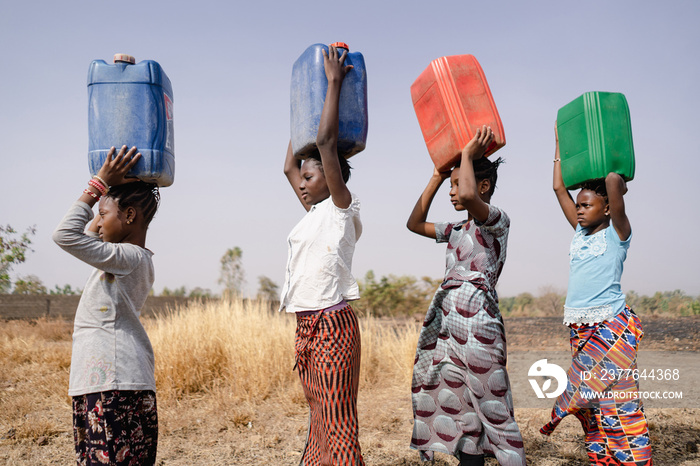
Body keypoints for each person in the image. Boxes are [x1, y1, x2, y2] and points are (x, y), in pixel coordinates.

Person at [407, 126, 526, 466]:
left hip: (480, 331)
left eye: (456, 184)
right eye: (450, 185)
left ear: (482, 185)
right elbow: (415, 223)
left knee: (495, 412)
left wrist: (465, 155)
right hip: (447, 331)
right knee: (464, 416)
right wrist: (435, 177)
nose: (452, 192)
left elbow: (473, 199)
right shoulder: (456, 230)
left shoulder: (496, 222)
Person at [540, 127, 652, 466]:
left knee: (617, 398)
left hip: (610, 328)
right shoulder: (578, 233)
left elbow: (616, 184)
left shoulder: (619, 233)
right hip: (580, 329)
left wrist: (607, 160)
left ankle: (632, 459)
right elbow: (558, 187)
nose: (579, 210)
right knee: (593, 401)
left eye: (587, 205)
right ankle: (603, 457)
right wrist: (561, 147)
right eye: (578, 206)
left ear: (607, 209)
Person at [280, 45, 364, 466]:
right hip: (306, 325)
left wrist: (332, 82)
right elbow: (287, 166)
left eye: (309, 176)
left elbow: (327, 143)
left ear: (330, 178)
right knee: (318, 418)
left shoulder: (340, 208)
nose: (301, 182)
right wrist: (302, 106)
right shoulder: (313, 216)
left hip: (332, 324)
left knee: (337, 419)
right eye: (303, 176)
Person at [53, 146, 161, 466]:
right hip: (107, 384)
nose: (97, 224)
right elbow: (86, 235)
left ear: (129, 216)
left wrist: (97, 183)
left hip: (114, 387)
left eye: (104, 215)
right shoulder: (121, 258)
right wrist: (105, 200)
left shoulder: (127, 257)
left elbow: (65, 235)